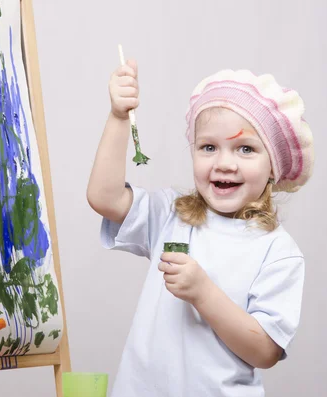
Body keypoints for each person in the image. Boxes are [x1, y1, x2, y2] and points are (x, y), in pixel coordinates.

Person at [86, 60, 314, 396]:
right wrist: (119, 117)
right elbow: (104, 197)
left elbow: (265, 351)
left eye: (246, 149)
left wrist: (203, 293)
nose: (223, 163)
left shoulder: (277, 252)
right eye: (209, 147)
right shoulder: (172, 215)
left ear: (273, 168)